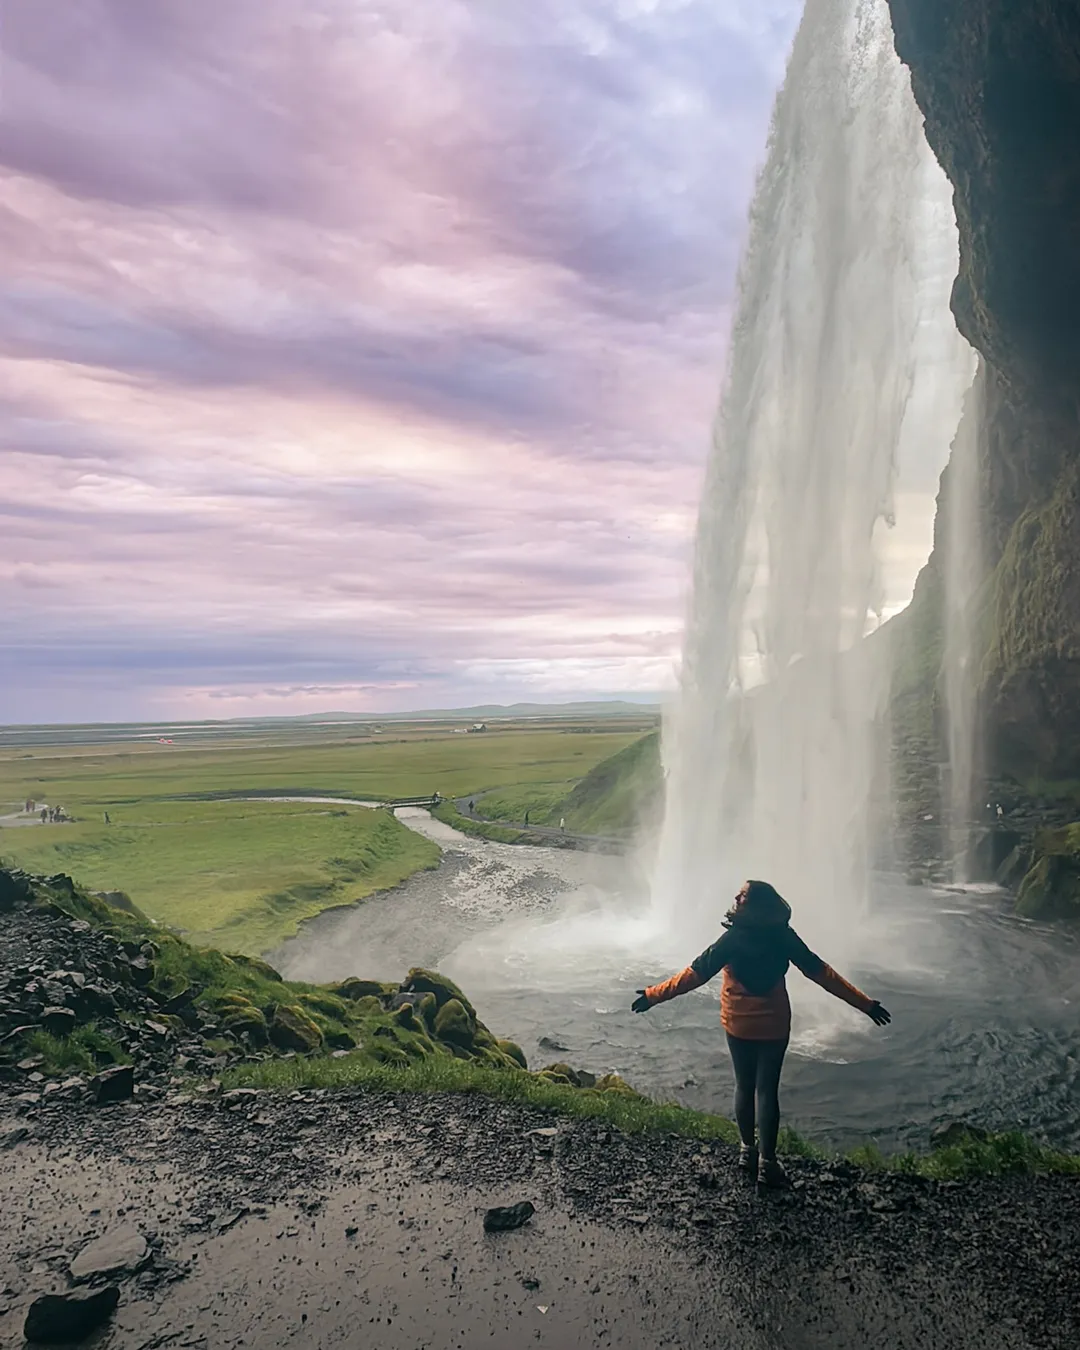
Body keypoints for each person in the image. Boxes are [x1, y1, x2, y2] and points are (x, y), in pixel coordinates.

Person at [632, 879, 890, 1189]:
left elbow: (694, 975)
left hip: (738, 1023)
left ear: (755, 905)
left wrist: (653, 995)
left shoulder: (731, 939)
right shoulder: (784, 936)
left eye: (743, 895)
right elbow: (822, 974)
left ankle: (747, 1151)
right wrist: (865, 1005)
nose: (736, 896)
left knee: (744, 1085)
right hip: (773, 1024)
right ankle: (768, 1164)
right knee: (767, 1091)